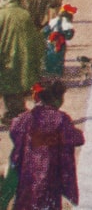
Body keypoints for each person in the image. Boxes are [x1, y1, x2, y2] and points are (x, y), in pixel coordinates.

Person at [7, 80, 84, 210]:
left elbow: (14, 130)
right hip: (51, 177)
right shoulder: (61, 119)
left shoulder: (27, 117)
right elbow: (78, 139)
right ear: (56, 99)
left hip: (28, 176)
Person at [0, 0, 44, 125]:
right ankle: (18, 112)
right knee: (18, 84)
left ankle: (14, 114)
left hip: (6, 57)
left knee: (9, 85)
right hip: (24, 58)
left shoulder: (1, 15)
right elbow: (38, 39)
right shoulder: (26, 14)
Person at [42, 4, 76, 76]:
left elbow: (45, 31)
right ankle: (58, 72)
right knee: (59, 57)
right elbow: (69, 36)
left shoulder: (53, 20)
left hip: (51, 41)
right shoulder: (67, 23)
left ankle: (49, 71)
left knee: (49, 55)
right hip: (60, 42)